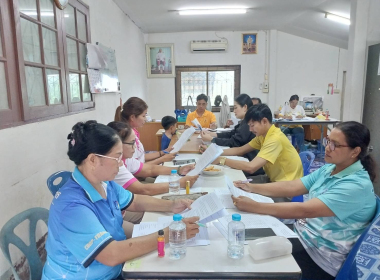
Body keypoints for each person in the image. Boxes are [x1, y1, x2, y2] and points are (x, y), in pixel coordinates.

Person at [42, 121, 199, 280]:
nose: (121, 163)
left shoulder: (104, 182)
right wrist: (168, 234)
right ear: (93, 160)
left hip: (114, 270)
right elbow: (111, 254)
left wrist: (172, 205)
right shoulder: (72, 207)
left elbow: (135, 201)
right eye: (117, 157)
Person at [232, 121, 377, 279]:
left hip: (321, 257)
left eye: (335, 145)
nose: (328, 147)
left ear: (355, 151)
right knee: (248, 244)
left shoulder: (356, 186)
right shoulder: (330, 168)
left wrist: (255, 206)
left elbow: (305, 210)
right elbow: (293, 186)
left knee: (250, 265)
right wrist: (251, 188)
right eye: (328, 141)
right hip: (303, 237)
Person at [200, 104, 303, 184]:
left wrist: (221, 160)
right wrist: (214, 152)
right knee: (235, 183)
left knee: (242, 194)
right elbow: (240, 150)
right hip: (273, 179)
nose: (250, 129)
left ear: (264, 121)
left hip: (287, 186)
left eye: (252, 125)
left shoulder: (274, 139)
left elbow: (251, 167)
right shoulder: (263, 135)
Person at [108, 121, 198, 196]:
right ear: (118, 144)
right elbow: (142, 190)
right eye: (132, 143)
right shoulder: (115, 164)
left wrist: (179, 169)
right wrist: (179, 183)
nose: (135, 147)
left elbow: (150, 169)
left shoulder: (126, 159)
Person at [200, 94, 261, 167]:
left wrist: (212, 140)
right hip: (243, 158)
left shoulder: (247, 124)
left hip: (248, 160)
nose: (234, 111)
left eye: (235, 108)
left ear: (245, 107)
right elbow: (232, 135)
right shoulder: (244, 122)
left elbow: (234, 143)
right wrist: (213, 136)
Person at [115, 97, 175, 164]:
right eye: (143, 116)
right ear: (132, 117)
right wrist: (162, 159)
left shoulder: (133, 132)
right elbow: (137, 168)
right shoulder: (127, 136)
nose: (145, 119)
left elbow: (141, 157)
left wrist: (163, 152)